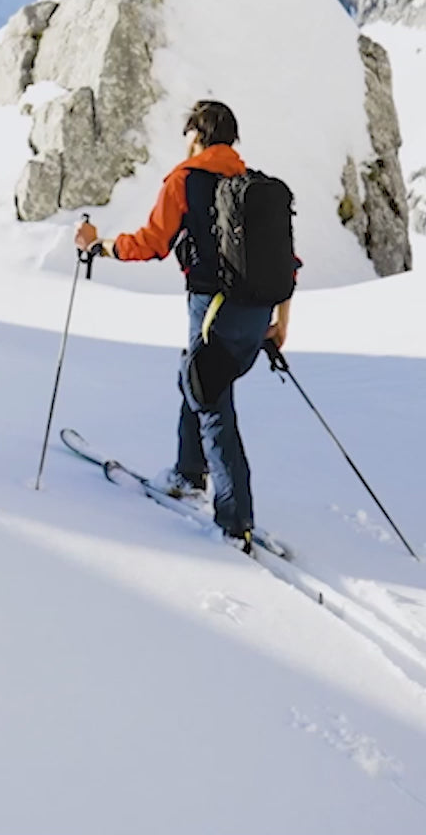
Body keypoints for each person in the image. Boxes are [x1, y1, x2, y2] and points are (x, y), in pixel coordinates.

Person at [74, 99, 294, 554]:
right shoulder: (254, 186)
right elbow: (287, 262)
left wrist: (100, 246)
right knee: (192, 377)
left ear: (197, 134)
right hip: (257, 314)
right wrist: (280, 323)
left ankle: (236, 523)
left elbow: (152, 243)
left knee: (211, 401)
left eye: (188, 135)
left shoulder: (186, 179)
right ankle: (188, 473)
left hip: (214, 309)